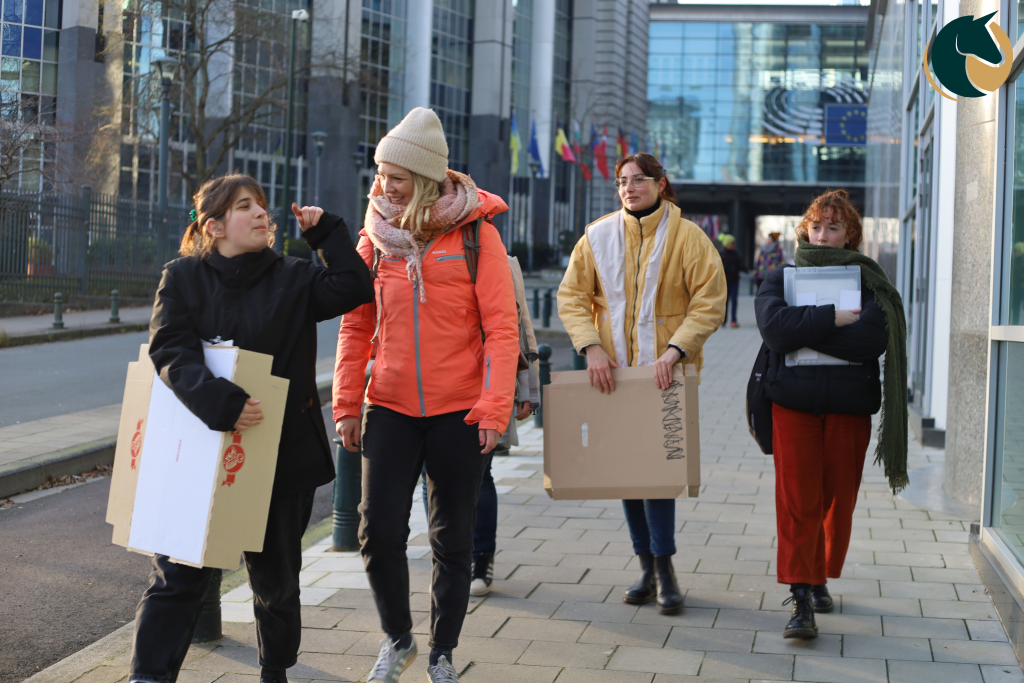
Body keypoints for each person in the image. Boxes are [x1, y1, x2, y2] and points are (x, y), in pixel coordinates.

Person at [130, 174, 373, 683]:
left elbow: (353, 287)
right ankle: (148, 676)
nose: (263, 213)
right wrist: (223, 403)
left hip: (282, 455)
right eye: (247, 206)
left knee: (276, 581)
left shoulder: (296, 276)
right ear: (214, 226)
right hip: (199, 453)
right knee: (178, 576)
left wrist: (326, 233)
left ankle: (274, 670)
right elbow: (169, 349)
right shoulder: (182, 278)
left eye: (263, 205)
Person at [333, 107, 519, 683]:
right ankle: (398, 638)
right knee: (377, 530)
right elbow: (355, 324)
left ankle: (442, 651)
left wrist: (493, 406)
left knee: (451, 537)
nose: (385, 185)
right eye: (382, 173)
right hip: (387, 403)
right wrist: (345, 402)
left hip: (458, 411)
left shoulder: (475, 235)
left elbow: (502, 328)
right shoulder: (375, 237)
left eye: (397, 176)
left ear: (427, 178)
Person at [557, 152, 727, 615]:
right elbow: (571, 296)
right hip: (610, 376)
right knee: (627, 475)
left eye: (638, 180)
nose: (629, 188)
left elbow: (710, 301)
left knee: (659, 475)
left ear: (660, 183)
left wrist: (676, 351)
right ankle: (646, 567)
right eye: (622, 181)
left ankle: (666, 567)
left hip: (664, 376)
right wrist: (590, 346)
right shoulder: (597, 235)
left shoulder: (689, 238)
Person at [754, 188, 907, 640]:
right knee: (798, 501)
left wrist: (804, 326)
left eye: (833, 227)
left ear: (850, 235)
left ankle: (819, 573)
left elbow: (870, 343)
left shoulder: (872, 284)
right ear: (805, 229)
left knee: (837, 501)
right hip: (793, 406)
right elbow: (774, 331)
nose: (822, 233)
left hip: (848, 408)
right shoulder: (779, 278)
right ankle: (801, 598)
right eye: (816, 225)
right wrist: (833, 318)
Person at [419, 254, 538, 597]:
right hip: (420, 387)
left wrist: (527, 385)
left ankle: (480, 558)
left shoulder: (485, 250)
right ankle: (446, 555)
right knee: (431, 477)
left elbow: (519, 325)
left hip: (479, 384)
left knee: (478, 475)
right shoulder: (403, 248)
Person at [718, 234, 742, 327]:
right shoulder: (722, 253)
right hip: (725, 280)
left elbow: (738, 264)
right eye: (732, 243)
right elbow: (719, 266)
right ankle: (723, 320)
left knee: (734, 300)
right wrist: (727, 269)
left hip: (734, 280)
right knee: (725, 301)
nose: (733, 245)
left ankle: (733, 320)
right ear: (727, 243)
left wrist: (743, 268)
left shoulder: (735, 253)